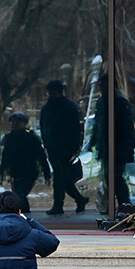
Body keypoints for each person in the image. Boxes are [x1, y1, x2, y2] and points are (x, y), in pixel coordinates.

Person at [40, 80, 89, 215]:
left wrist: (75, 147)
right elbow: (43, 127)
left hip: (65, 147)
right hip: (52, 147)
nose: (51, 94)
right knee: (61, 177)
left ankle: (60, 204)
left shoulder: (69, 107)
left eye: (53, 91)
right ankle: (78, 199)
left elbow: (76, 129)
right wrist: (46, 143)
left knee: (61, 177)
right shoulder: (48, 108)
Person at [89, 73, 135, 211]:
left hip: (118, 147)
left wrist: (128, 149)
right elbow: (98, 125)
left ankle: (124, 205)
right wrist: (93, 142)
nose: (101, 87)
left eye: (104, 84)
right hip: (105, 146)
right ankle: (117, 205)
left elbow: (127, 128)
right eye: (100, 85)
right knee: (110, 177)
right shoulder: (101, 102)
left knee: (116, 178)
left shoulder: (120, 102)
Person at [0, 112, 51, 214]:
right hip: (15, 172)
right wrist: (1, 173)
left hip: (29, 172)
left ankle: (25, 216)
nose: (15, 124)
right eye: (13, 122)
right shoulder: (8, 138)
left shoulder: (31, 138)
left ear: (24, 123)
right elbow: (5, 157)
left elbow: (42, 157)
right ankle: (21, 215)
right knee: (17, 196)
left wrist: (46, 174)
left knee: (20, 195)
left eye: (18, 122)